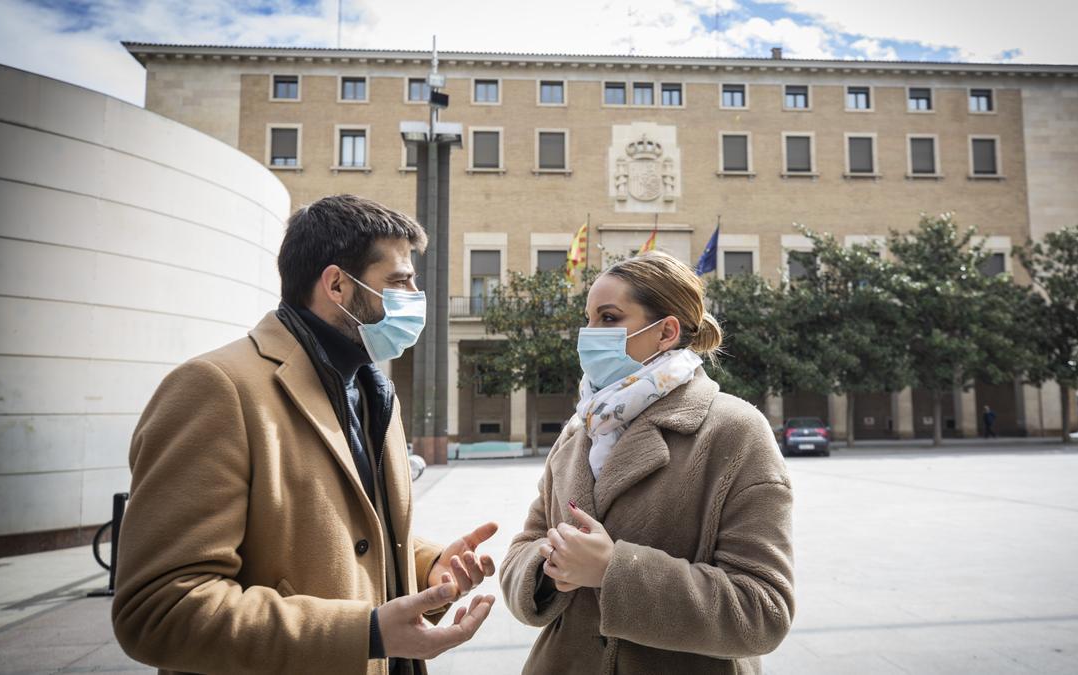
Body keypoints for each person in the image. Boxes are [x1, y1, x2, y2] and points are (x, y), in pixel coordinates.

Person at [112, 195, 497, 674]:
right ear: (336, 284)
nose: (415, 295)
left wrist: (426, 566)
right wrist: (367, 632)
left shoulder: (372, 389)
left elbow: (339, 533)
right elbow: (159, 610)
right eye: (399, 282)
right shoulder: (216, 388)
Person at [500, 251, 795, 673]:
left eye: (608, 317)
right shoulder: (580, 428)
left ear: (666, 331)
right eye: (588, 319)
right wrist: (547, 567)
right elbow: (522, 549)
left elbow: (763, 612)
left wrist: (613, 571)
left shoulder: (735, 430)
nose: (589, 334)